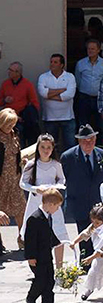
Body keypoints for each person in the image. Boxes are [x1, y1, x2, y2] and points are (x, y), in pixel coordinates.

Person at [60, 124, 103, 266]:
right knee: (84, 234)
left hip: (98, 204)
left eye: (91, 140)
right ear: (79, 141)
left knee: (101, 233)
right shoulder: (68, 157)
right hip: (79, 202)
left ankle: (100, 261)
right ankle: (85, 263)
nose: (88, 143)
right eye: (85, 140)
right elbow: (64, 179)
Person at [20, 134, 68, 269]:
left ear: (52, 148)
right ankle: (38, 265)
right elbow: (23, 183)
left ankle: (59, 268)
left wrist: (55, 188)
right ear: (38, 148)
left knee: (58, 232)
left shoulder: (56, 164)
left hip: (52, 202)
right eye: (42, 147)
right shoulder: (31, 164)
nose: (46, 150)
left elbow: (62, 180)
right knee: (36, 232)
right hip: (36, 201)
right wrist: (36, 189)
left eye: (48, 147)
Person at [24, 188, 63, 303]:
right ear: (50, 204)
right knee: (40, 280)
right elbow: (29, 240)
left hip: (46, 255)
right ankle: (31, 298)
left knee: (49, 279)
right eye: (57, 206)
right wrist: (30, 257)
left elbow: (49, 233)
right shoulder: (34, 218)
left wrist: (58, 242)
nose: (57, 209)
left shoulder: (47, 217)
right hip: (37, 257)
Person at [71, 204, 103, 302]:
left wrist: (90, 258)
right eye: (93, 222)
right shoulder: (94, 227)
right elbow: (85, 234)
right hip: (97, 258)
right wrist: (74, 242)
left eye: (97, 222)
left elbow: (101, 250)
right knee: (93, 272)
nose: (95, 224)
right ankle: (89, 290)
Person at [37, 53, 77, 153]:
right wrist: (62, 90)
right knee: (49, 146)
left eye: (55, 62)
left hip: (67, 117)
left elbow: (69, 95)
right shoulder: (43, 77)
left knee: (70, 145)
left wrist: (50, 95)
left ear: (62, 65)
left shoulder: (70, 77)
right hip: (49, 117)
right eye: (51, 62)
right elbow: (43, 93)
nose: (52, 64)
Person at [74, 39, 103, 138]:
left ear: (98, 50)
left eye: (93, 49)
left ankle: (99, 146)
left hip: (100, 98)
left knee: (100, 124)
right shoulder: (80, 64)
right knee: (83, 124)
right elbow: (78, 81)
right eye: (88, 49)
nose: (90, 51)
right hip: (84, 98)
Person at [0, 108, 27, 248]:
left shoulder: (14, 134)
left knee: (21, 209)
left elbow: (16, 153)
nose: (11, 127)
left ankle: (22, 238)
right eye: (8, 125)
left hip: (15, 179)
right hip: (2, 180)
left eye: (13, 124)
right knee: (1, 211)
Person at [0, 62, 41, 147]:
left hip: (22, 119)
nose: (9, 72)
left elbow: (35, 103)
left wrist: (26, 117)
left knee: (21, 140)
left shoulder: (27, 84)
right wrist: (5, 100)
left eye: (11, 70)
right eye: (9, 69)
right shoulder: (5, 84)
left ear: (18, 73)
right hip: (8, 118)